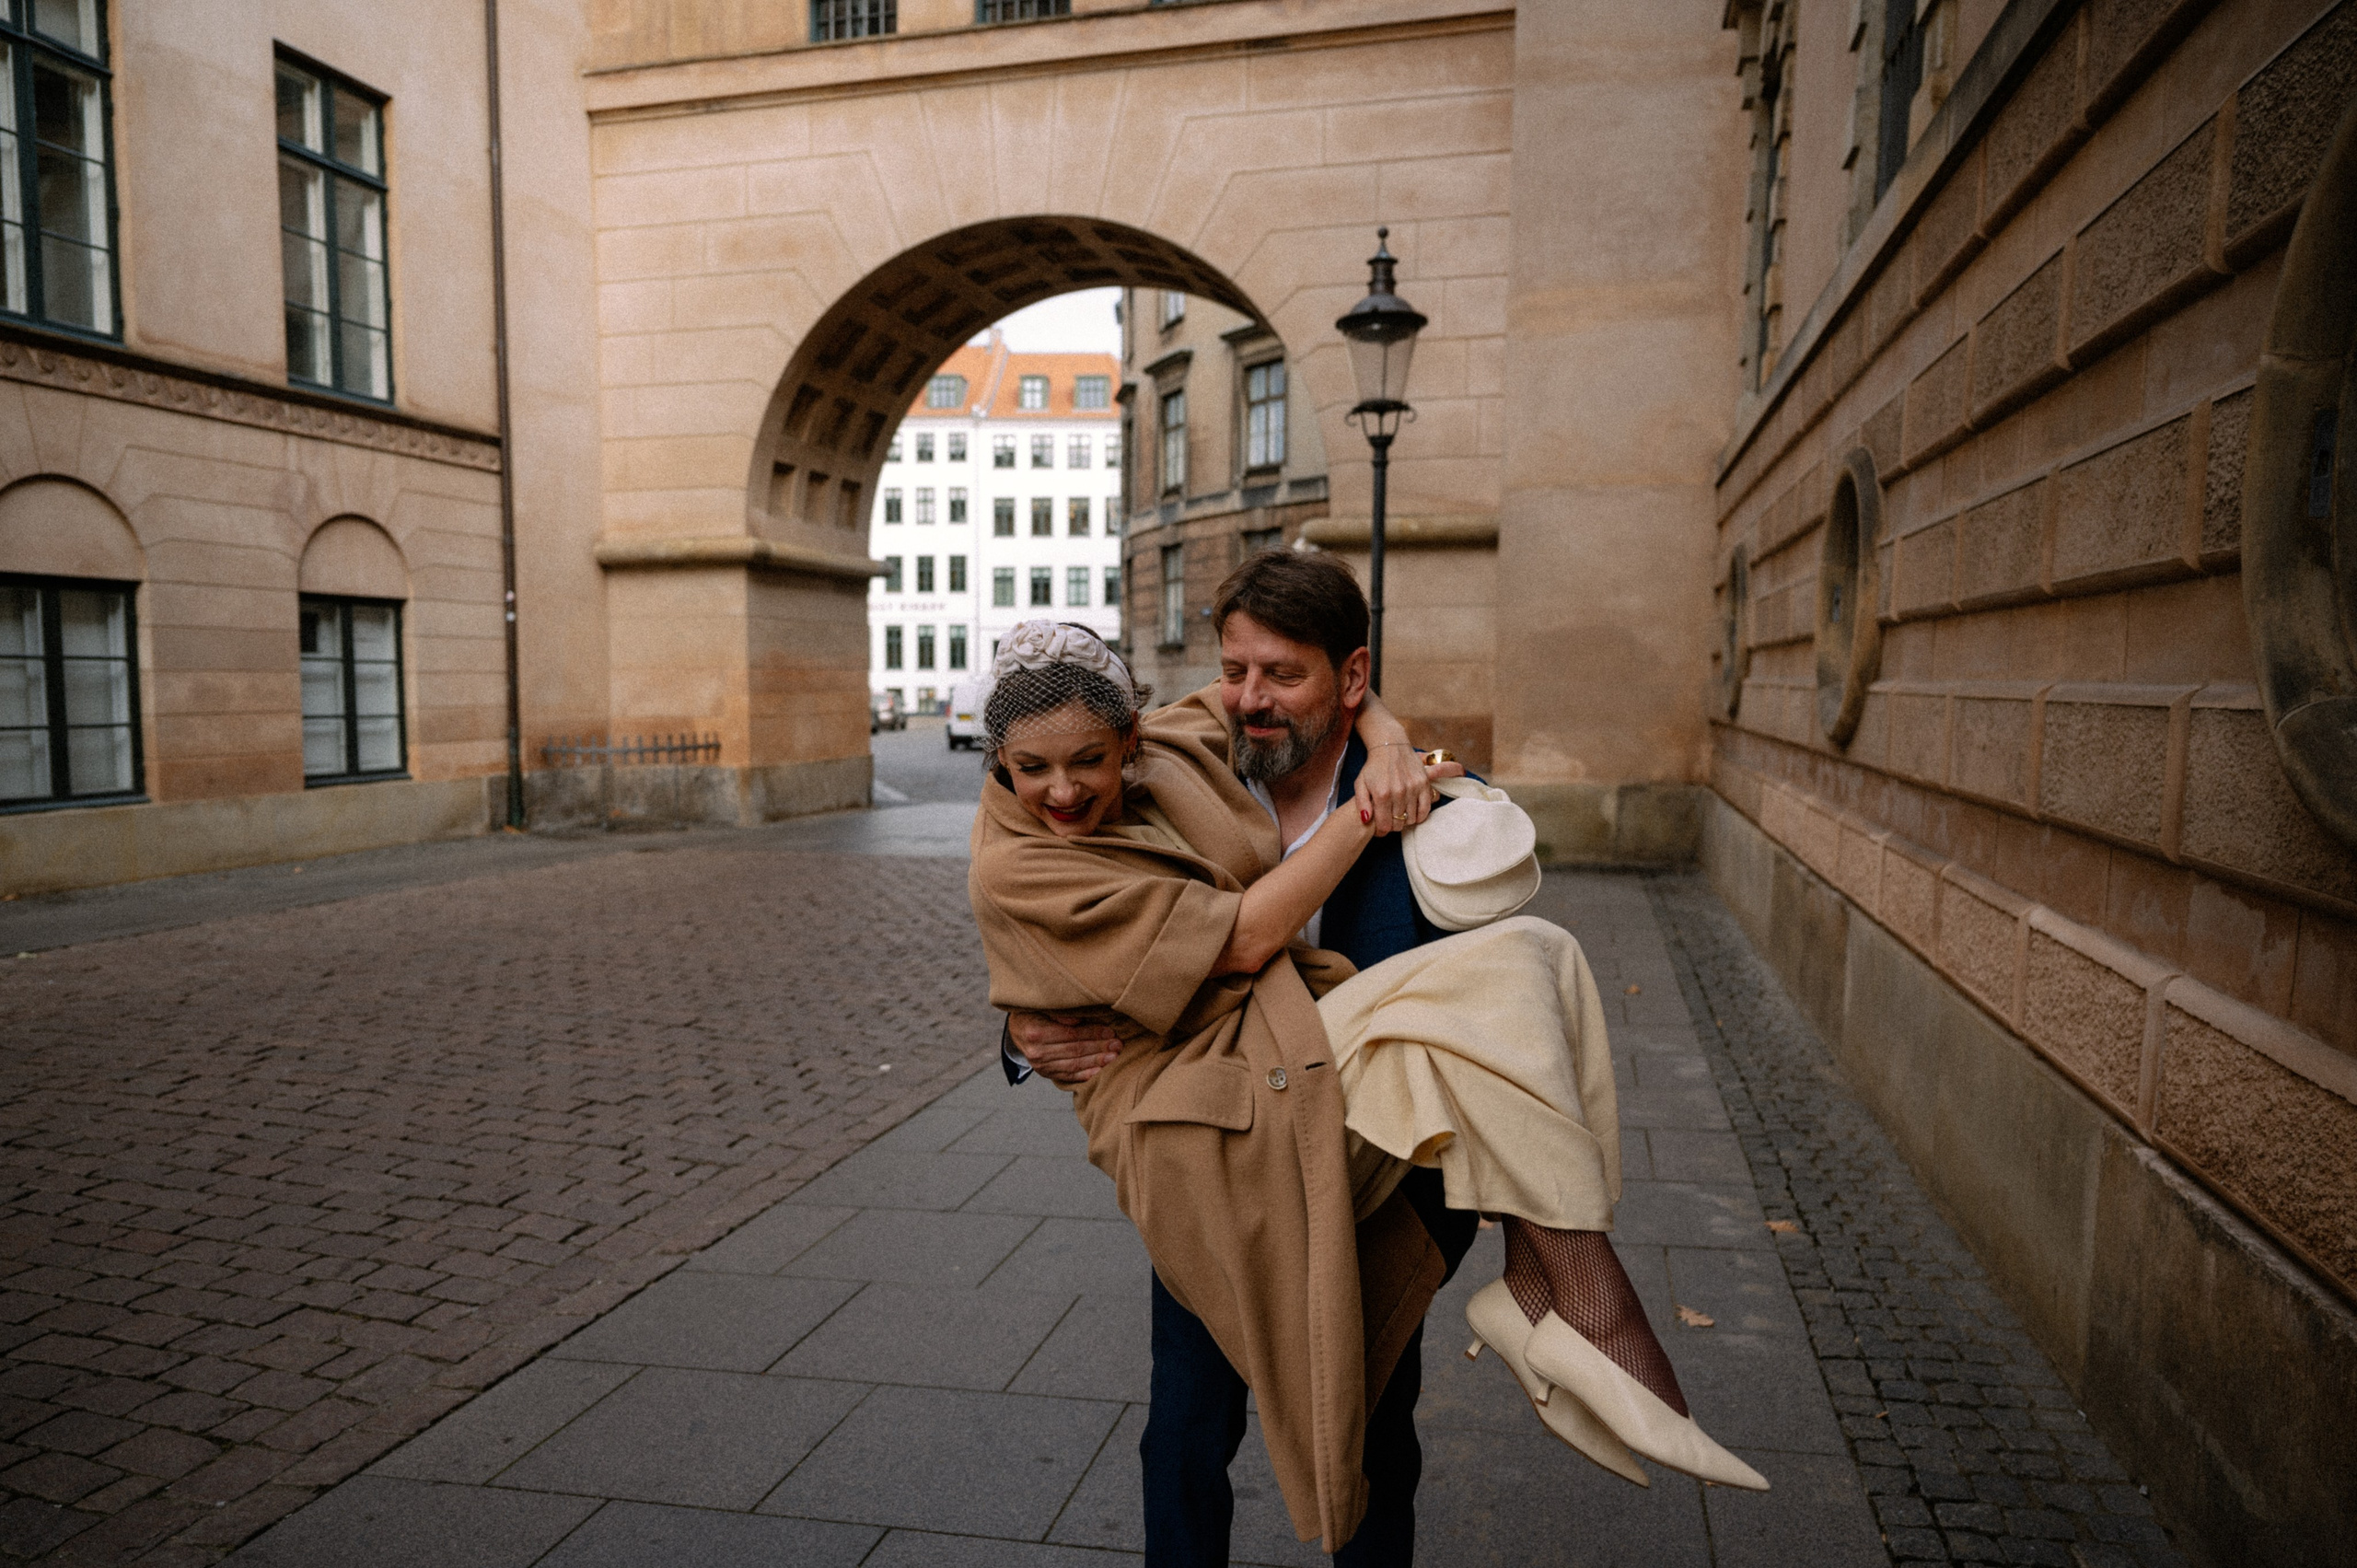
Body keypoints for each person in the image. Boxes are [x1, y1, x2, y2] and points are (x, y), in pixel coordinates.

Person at [978, 559, 1762, 1566]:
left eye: (1281, 675)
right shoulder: (1183, 760)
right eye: (1236, 670)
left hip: (1378, 1153)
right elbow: (1067, 923)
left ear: (1349, 678)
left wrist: (1394, 742)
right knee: (1185, 1426)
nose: (1251, 698)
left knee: (1380, 1430)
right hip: (1215, 1136)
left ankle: (1559, 1279)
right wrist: (1018, 1030)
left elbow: (1485, 1022)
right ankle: (1565, 1292)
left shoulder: (1436, 804)